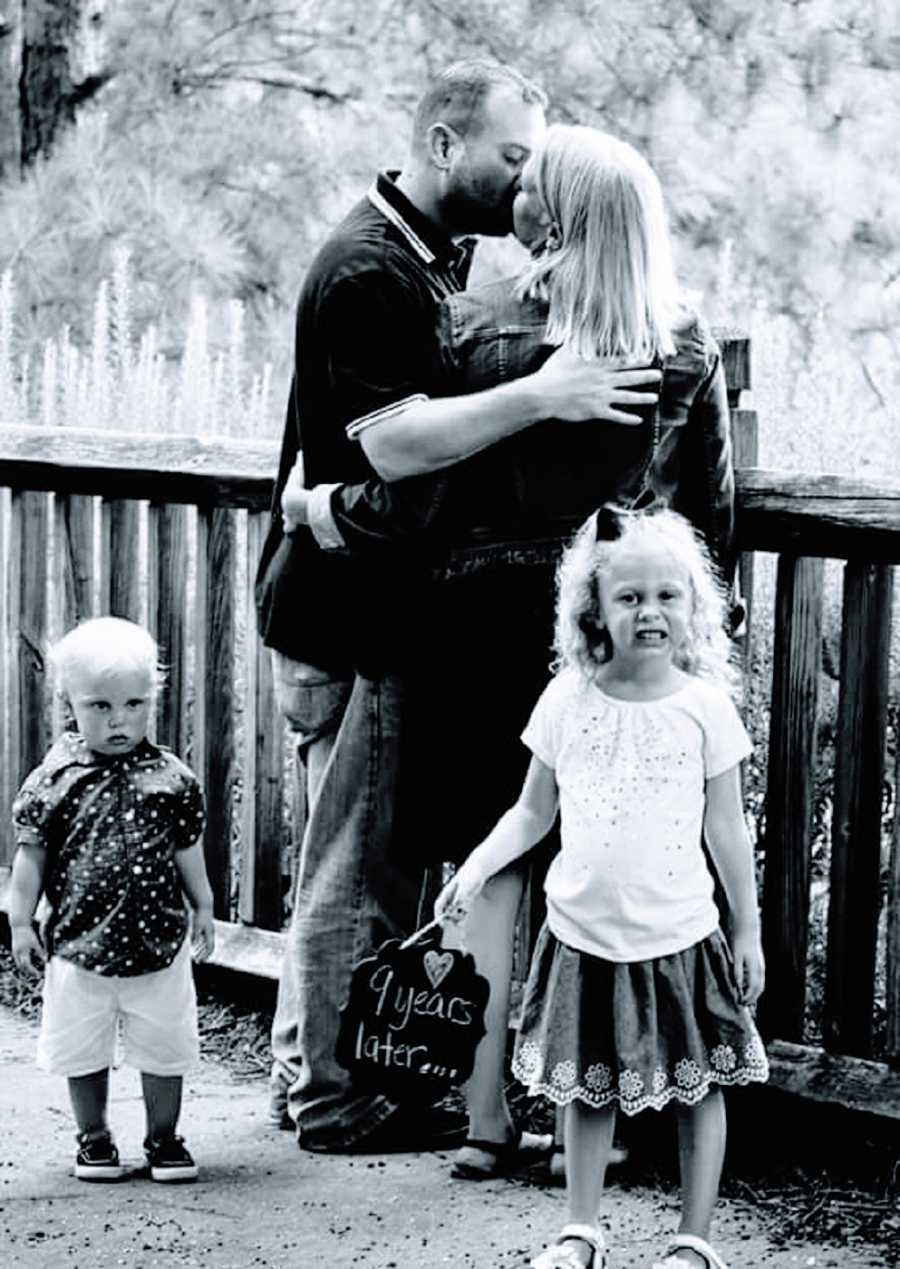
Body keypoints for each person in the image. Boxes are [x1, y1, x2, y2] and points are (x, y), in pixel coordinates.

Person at [279, 124, 739, 1181]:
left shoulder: (478, 324)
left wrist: (332, 509)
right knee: (607, 868)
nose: (518, 189)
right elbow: (706, 505)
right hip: (607, 632)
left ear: (559, 215)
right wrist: (695, 627)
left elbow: (430, 489)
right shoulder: (682, 337)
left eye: (537, 181)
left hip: (470, 627)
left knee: (492, 865)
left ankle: (487, 1119)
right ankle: (605, 1106)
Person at [434, 505, 768, 1269]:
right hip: (582, 933)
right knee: (585, 1090)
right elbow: (531, 811)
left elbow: (727, 831)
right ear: (595, 610)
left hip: (678, 935)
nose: (649, 611)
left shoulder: (704, 708)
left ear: (694, 607)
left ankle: (693, 1240)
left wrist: (745, 929)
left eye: (667, 596)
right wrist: (478, 865)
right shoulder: (566, 699)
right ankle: (580, 1230)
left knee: (699, 1088)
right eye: (628, 597)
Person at [7, 617, 214, 1184]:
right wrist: (20, 922)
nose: (118, 719)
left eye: (133, 703)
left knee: (165, 1046)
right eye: (99, 705)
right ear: (69, 703)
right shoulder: (55, 779)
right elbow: (31, 857)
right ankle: (94, 1138)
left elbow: (186, 848)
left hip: (159, 943)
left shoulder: (172, 778)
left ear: (153, 699)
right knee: (82, 1048)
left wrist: (203, 904)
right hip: (80, 944)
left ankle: (164, 1138)